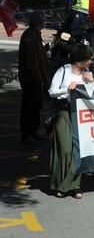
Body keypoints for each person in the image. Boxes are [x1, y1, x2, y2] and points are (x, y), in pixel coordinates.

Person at [48, 44, 94, 199]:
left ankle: (74, 186)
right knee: (65, 149)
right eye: (89, 59)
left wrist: (91, 82)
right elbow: (51, 92)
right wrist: (67, 89)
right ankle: (60, 183)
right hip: (64, 112)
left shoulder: (87, 74)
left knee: (78, 150)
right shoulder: (63, 71)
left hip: (81, 114)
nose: (90, 62)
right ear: (80, 60)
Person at [18, 12, 50, 145]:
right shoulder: (29, 37)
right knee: (30, 106)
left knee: (36, 106)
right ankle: (27, 134)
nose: (45, 23)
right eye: (43, 20)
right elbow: (31, 62)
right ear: (38, 22)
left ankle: (33, 132)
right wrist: (38, 78)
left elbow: (37, 54)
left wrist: (44, 49)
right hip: (31, 79)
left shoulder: (35, 35)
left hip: (35, 78)